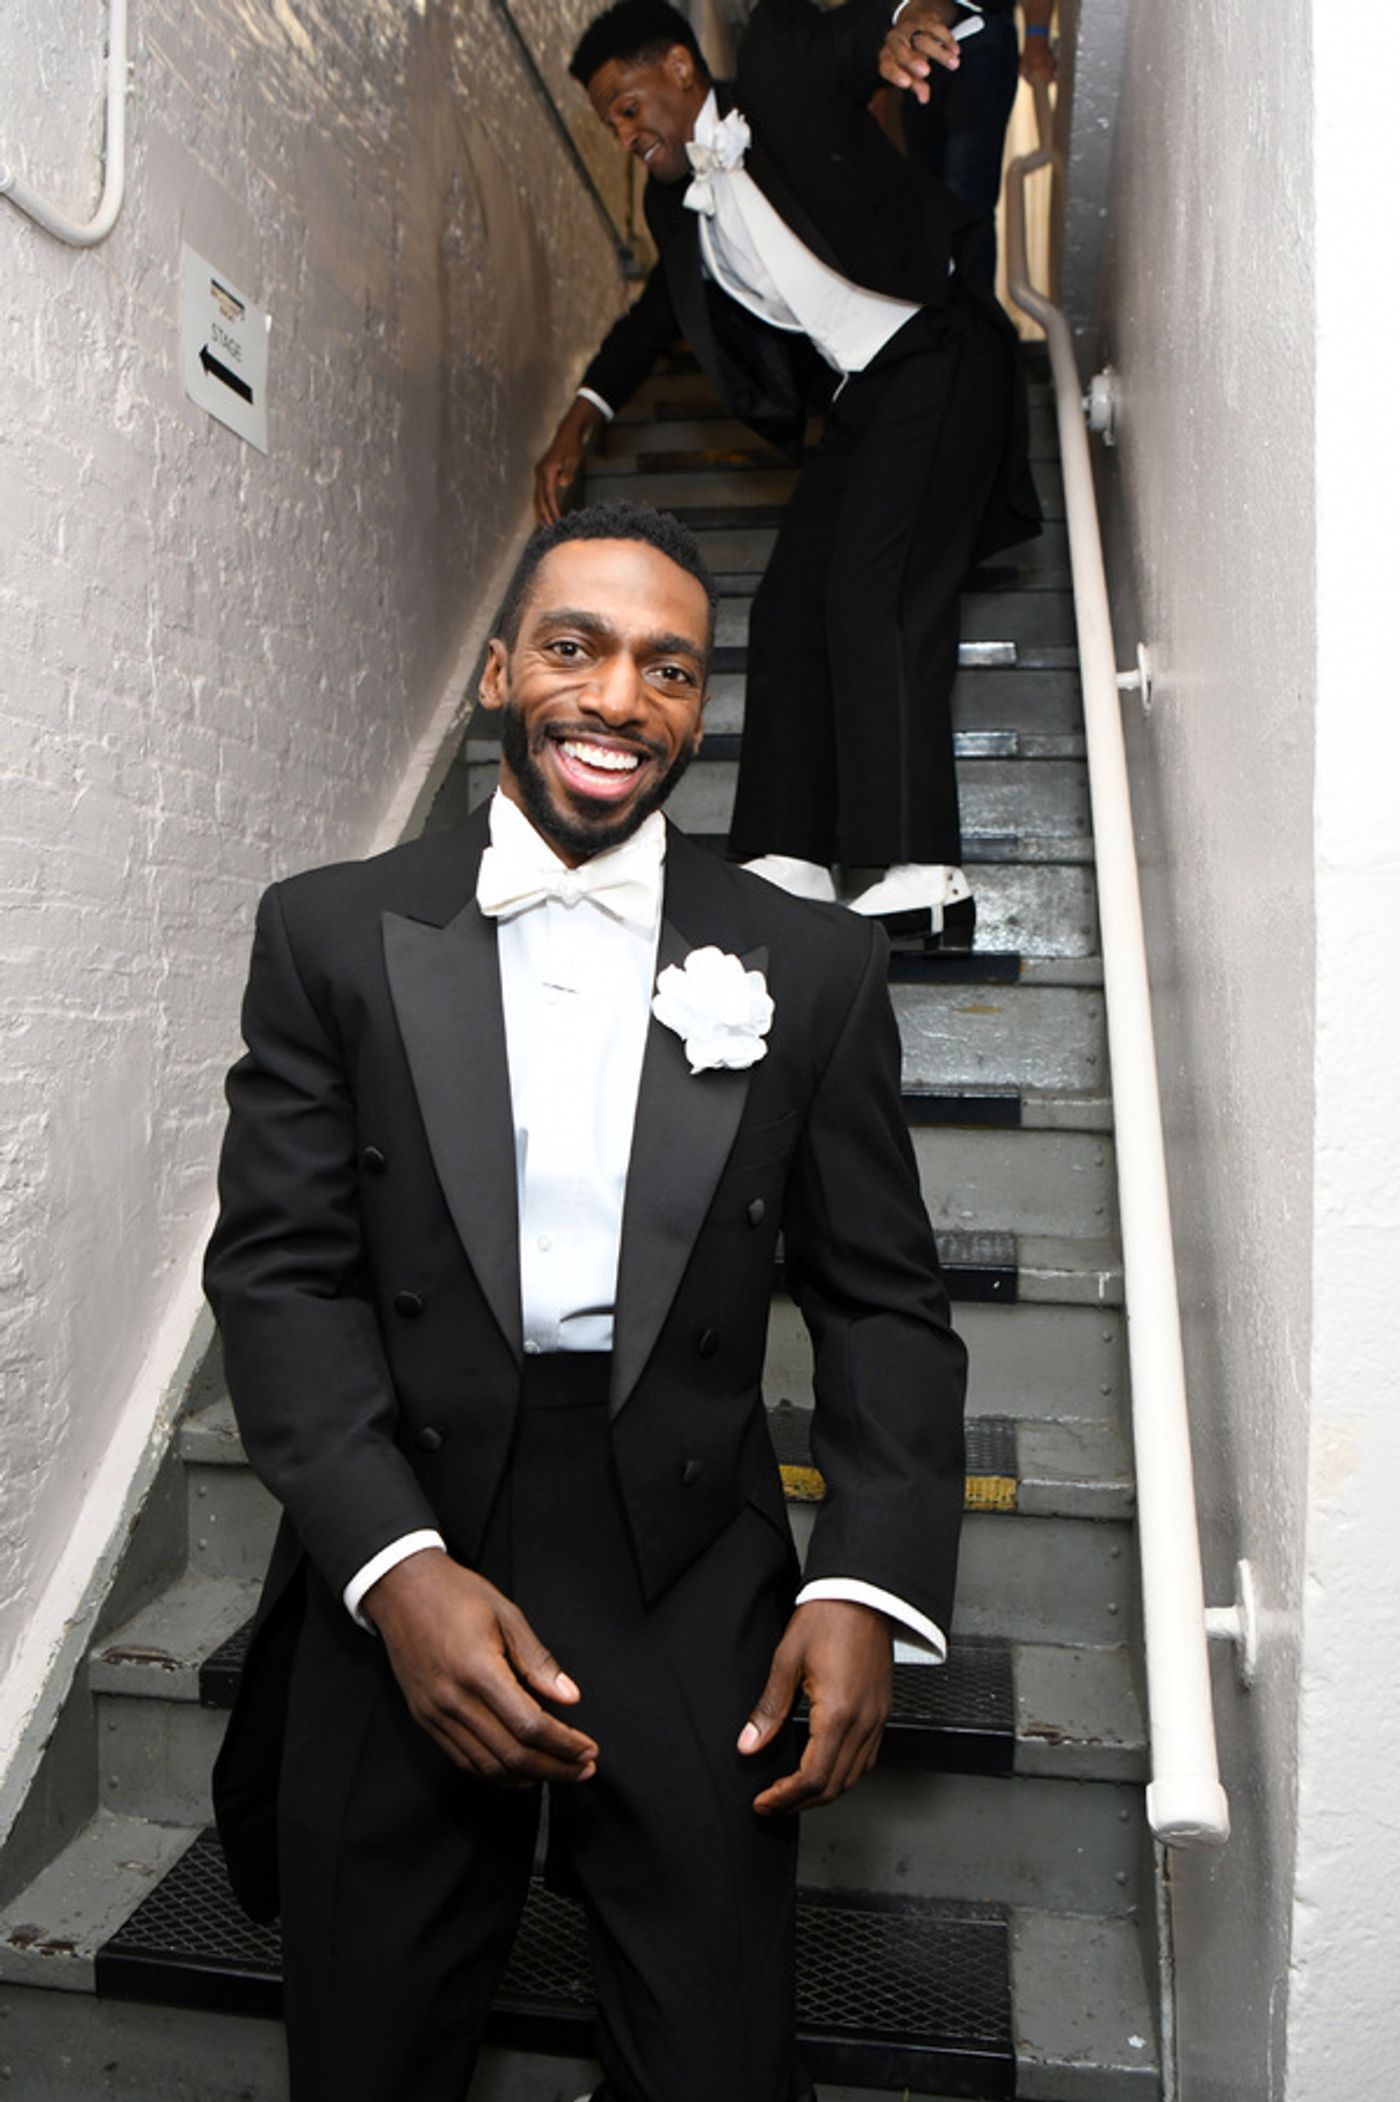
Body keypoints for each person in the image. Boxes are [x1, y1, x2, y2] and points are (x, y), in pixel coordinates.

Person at [204, 499, 967, 2102]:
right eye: (576, 648)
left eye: (668, 668)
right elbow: (281, 1272)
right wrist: (395, 1570)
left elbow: (885, 1300)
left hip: (683, 1540)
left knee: (716, 2060)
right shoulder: (330, 933)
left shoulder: (811, 963)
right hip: (404, 1513)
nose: (619, 699)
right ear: (498, 673)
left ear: (701, 703)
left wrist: (866, 1583)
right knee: (366, 2045)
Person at [534, 0, 1041, 949]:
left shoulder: (775, 65)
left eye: (629, 105)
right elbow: (651, 324)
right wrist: (580, 417)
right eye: (611, 123)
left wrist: (900, 24)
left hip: (938, 346)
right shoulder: (671, 204)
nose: (627, 133)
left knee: (872, 588)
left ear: (683, 68)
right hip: (863, 395)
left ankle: (922, 872)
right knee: (786, 603)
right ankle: (789, 856)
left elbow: (854, 42)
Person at [889, 0, 1056, 294]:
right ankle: (937, 316)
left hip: (983, 36)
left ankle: (973, 321)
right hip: (920, 43)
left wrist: (1037, 37)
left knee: (966, 197)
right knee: (923, 196)